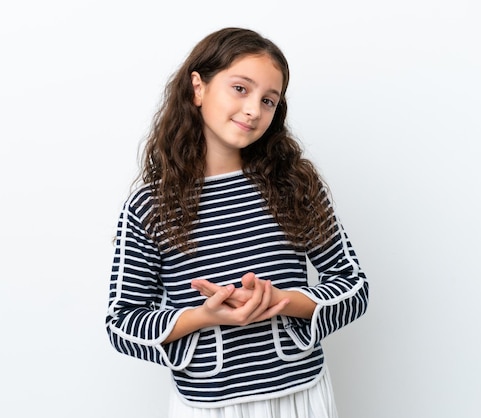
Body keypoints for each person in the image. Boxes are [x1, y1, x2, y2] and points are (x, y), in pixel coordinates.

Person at [106, 27, 369, 418]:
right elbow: (122, 323)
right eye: (241, 89)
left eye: (268, 100)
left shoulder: (295, 185)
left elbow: (355, 288)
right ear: (198, 88)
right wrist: (202, 316)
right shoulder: (149, 206)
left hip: (301, 397)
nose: (253, 110)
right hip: (208, 407)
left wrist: (282, 302)